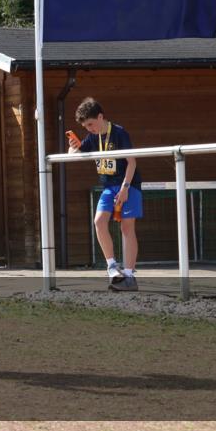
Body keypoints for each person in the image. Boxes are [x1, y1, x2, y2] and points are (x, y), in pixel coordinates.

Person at [69, 97, 143, 292]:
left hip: (128, 185)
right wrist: (73, 146)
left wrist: (125, 188)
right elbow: (75, 151)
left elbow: (132, 162)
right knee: (99, 221)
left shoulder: (119, 133)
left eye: (91, 124)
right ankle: (112, 267)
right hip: (108, 187)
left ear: (100, 117)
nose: (89, 129)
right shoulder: (93, 137)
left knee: (127, 229)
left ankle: (129, 274)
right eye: (86, 126)